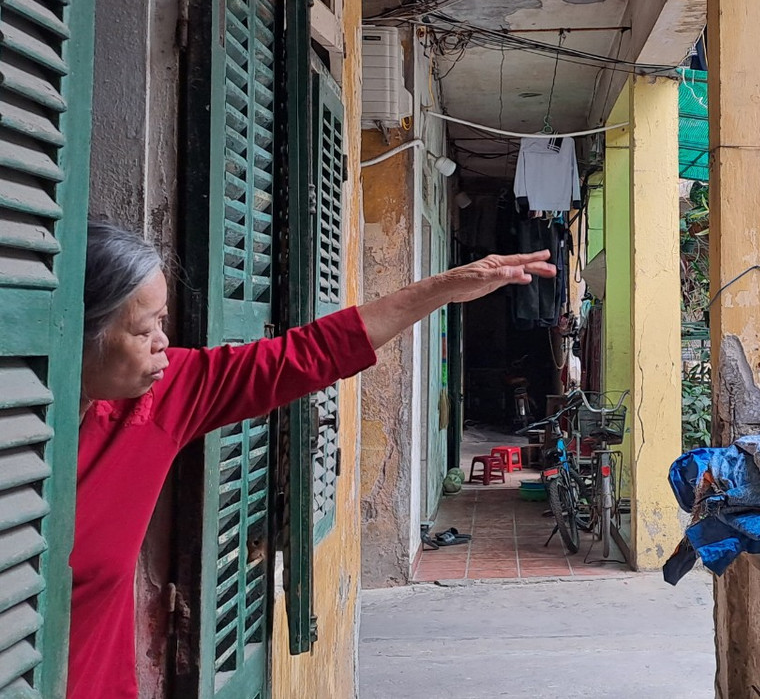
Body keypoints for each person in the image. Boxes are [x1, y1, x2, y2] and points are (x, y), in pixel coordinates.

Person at [69, 221, 555, 698]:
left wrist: (441, 289)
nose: (162, 342)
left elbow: (306, 355)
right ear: (76, 335)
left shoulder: (153, 402)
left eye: (162, 320)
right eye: (144, 329)